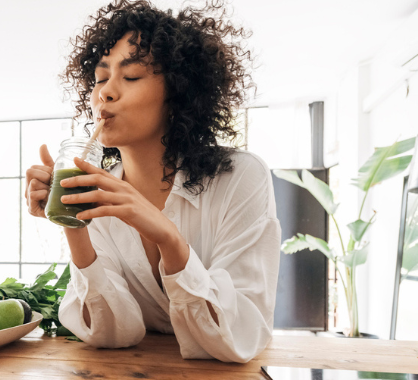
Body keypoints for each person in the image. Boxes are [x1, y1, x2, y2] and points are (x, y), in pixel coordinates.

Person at [24, 0, 281, 363]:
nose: (105, 93)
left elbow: (241, 336)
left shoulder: (240, 178)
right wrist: (73, 221)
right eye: (100, 78)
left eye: (130, 77)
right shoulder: (96, 191)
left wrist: (169, 238)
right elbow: (111, 334)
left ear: (177, 92)